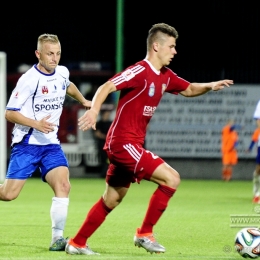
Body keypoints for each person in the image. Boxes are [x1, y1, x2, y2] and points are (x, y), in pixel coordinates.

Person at [65, 23, 233, 255]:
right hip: (123, 143)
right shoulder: (139, 71)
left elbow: (189, 89)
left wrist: (210, 86)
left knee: (112, 199)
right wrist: (94, 110)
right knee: (171, 178)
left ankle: (77, 243)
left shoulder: (165, 76)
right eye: (171, 46)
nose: (175, 52)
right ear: (156, 46)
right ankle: (144, 233)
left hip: (129, 145)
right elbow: (106, 86)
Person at [0, 33, 91, 251]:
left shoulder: (61, 71)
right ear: (38, 54)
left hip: (51, 145)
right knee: (8, 194)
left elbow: (67, 85)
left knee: (63, 185)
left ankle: (57, 240)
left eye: (58, 53)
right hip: (27, 144)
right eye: (50, 54)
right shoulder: (28, 80)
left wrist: (83, 100)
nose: (54, 58)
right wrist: (36, 124)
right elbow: (9, 113)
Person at [93, 109, 113, 178]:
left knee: (110, 160)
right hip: (101, 144)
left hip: (110, 145)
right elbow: (97, 134)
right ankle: (103, 174)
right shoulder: (99, 123)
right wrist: (107, 137)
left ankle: (109, 173)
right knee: (102, 159)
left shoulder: (111, 123)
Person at [246, 115, 260, 203]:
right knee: (258, 171)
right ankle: (256, 193)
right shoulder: (258, 131)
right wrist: (250, 148)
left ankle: (258, 194)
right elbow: (253, 140)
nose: (257, 122)